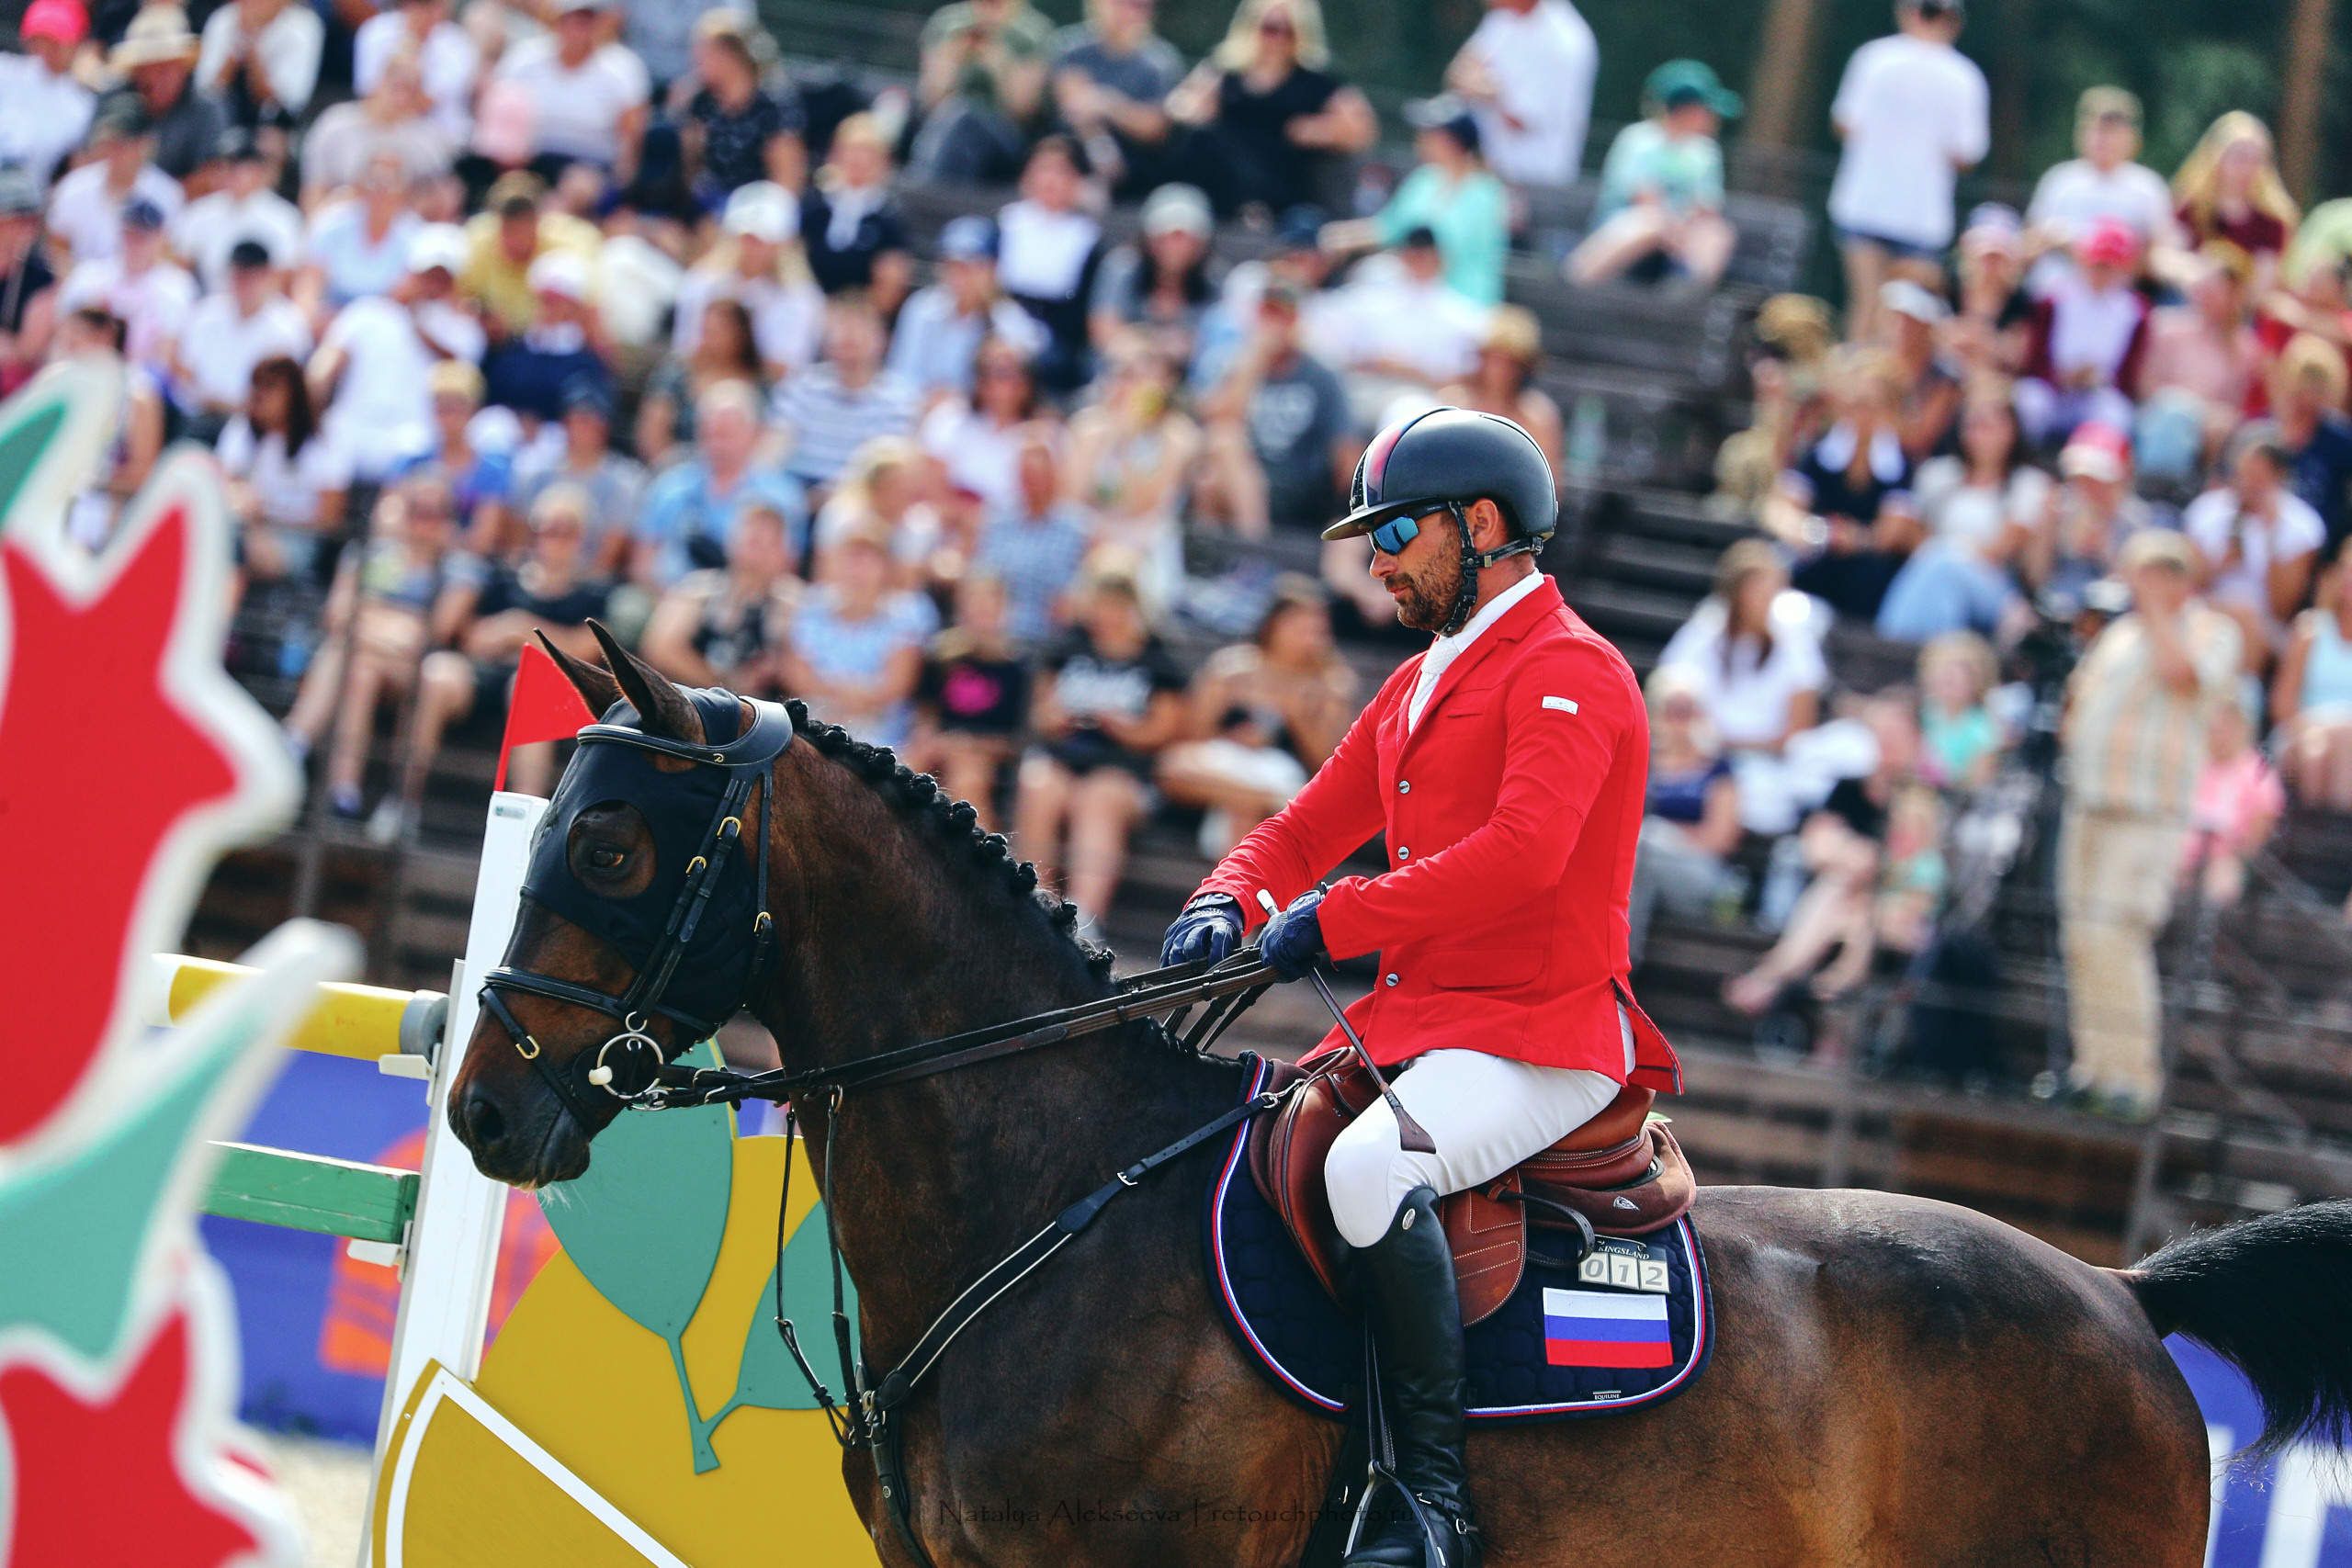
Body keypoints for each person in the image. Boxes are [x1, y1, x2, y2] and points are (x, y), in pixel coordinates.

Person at [1157, 406, 1679, 1568]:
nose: (1376, 561)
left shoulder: (1571, 672)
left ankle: (1428, 1502)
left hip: (1541, 1036)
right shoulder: (1417, 683)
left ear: (1480, 525)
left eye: (1394, 532)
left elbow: (1521, 855)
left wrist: (1334, 917)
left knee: (1369, 1164)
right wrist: (1224, 901)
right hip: (1425, 1027)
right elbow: (1303, 825)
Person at [2057, 527, 2240, 1121]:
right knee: (2082, 938)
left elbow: (2183, 673)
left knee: (2120, 935)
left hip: (2148, 810)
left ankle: (2133, 1081)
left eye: (2146, 574)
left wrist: (2162, 609)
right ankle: (2094, 1070)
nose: (2133, 585)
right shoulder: (2118, 632)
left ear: (2175, 577)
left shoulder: (2213, 629)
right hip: (2090, 801)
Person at [396, 484, 612, 836]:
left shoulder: (594, 592)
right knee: (436, 674)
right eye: (544, 529)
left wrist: (520, 631)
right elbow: (471, 638)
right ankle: (403, 803)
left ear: (582, 538)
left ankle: (526, 828)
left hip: (553, 691)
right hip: (487, 673)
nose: (551, 539)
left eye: (564, 530)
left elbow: (583, 652)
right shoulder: (503, 578)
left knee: (530, 686)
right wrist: (524, 637)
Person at [279, 475, 461, 819]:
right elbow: (339, 613)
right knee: (358, 667)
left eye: (435, 513)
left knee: (347, 650)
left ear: (448, 519)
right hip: (372, 659)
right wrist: (395, 625)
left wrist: (374, 620)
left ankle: (295, 737)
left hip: (417, 669)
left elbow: (434, 632)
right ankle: (344, 791)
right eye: (417, 510)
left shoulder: (458, 566)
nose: (424, 521)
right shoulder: (377, 556)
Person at [1017, 563, 1184, 924]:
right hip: (1064, 757)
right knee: (1039, 786)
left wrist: (1123, 727)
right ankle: (1033, 906)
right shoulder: (1068, 648)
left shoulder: (1157, 660)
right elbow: (1040, 715)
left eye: (1117, 605)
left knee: (1097, 797)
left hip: (1125, 770)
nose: (1107, 615)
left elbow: (1167, 731)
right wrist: (1058, 718)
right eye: (1101, 604)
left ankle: (1082, 920)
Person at [1158, 578, 1355, 856]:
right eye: (1300, 627)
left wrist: (1298, 717)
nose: (1309, 637)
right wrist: (1235, 738)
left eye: (1316, 630)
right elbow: (1190, 734)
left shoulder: (1331, 683)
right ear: (1273, 624)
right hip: (1227, 766)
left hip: (1286, 773)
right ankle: (1267, 801)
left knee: (1244, 810)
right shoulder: (1231, 669)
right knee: (1175, 766)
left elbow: (1329, 761)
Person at [1827, 0, 1987, 344]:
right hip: (1921, 216)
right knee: (1902, 317)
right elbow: (1967, 154)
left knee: (1865, 305)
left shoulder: (1874, 58)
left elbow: (1845, 122)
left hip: (1863, 203)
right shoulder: (1964, 77)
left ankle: (1855, 385)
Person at [1166, 0, 1375, 219]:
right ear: (1252, 26)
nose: (1279, 37)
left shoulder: (1317, 82)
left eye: (1289, 30)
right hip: (1228, 172)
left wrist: (1322, 131)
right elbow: (1178, 103)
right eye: (1271, 28)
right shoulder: (1226, 71)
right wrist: (1195, 110)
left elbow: (1363, 131)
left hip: (1282, 178)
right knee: (1201, 140)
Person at [307, 224, 482, 483]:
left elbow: (457, 372)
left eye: (442, 276)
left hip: (415, 433)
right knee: (325, 448)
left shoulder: (464, 331)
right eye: (427, 273)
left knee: (415, 455)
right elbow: (325, 366)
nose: (433, 283)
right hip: (351, 427)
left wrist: (419, 322)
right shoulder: (366, 312)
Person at [1193, 278, 1351, 537]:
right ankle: (1219, 560)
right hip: (1245, 474)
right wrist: (1255, 360)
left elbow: (1344, 447)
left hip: (1297, 483)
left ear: (1297, 321)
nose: (1275, 324)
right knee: (1212, 468)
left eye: (1284, 316)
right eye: (1269, 314)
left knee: (1220, 454)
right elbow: (1217, 419)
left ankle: (1255, 553)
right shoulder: (1235, 363)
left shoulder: (1321, 375)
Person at [1566, 59, 1739, 290]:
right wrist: (1672, 230)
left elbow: (1707, 208)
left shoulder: (1705, 152)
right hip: (1627, 235)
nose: (1714, 117)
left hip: (1679, 245)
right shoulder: (1639, 140)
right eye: (1707, 109)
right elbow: (1644, 200)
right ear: (1684, 108)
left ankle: (1686, 296)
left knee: (1717, 234)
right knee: (1651, 222)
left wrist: (1683, 233)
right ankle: (1575, 282)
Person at [1322, 95, 1509, 308]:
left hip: (1462, 298)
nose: (1421, 138)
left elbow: (1451, 248)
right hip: (1416, 293)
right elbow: (1389, 227)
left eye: (1431, 133)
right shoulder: (1425, 179)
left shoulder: (1485, 193)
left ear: (1453, 140)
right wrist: (1337, 236)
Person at [1062, 334, 1199, 615]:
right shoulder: (1087, 427)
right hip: (1088, 540)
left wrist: (1129, 435)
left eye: (1137, 375)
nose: (1126, 383)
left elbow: (1142, 502)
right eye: (1120, 373)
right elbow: (1074, 495)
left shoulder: (1179, 436)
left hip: (1145, 546)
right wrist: (1112, 432)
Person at [632, 378, 806, 587]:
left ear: (754, 434)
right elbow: (642, 564)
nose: (717, 444)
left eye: (726, 434)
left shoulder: (781, 495)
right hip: (667, 598)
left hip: (745, 604)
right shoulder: (670, 487)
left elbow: (786, 568)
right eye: (710, 434)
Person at [2181, 421, 2324, 672]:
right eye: (2242, 475)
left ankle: (2239, 696)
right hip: (2207, 609)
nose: (2247, 485)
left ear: (2278, 478)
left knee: (2244, 618)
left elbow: (2282, 609)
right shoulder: (2206, 510)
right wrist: (2220, 566)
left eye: (2257, 479)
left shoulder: (2303, 527)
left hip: (2266, 627)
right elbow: (2187, 585)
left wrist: (2271, 537)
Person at [781, 514, 935, 747]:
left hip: (880, 736)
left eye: (869, 560)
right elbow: (796, 676)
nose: (858, 570)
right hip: (812, 727)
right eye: (852, 559)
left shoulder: (905, 618)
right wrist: (846, 696)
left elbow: (896, 686)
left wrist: (836, 694)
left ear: (886, 567)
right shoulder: (810, 610)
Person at [1627, 664, 1744, 970]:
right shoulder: (1641, 759)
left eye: (1686, 711)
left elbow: (1721, 839)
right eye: (1669, 709)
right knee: (1639, 858)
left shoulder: (1718, 770)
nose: (1677, 721)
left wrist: (1665, 834)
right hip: (1643, 867)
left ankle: (1623, 962)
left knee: (1642, 843)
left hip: (1697, 872)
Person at [2024, 87, 2181, 292]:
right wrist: (2055, 241)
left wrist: (2104, 252)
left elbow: (2161, 253)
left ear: (2132, 138)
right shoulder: (2059, 181)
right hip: (2054, 298)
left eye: (2112, 131)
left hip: (2119, 300)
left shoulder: (2147, 188)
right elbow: (2030, 243)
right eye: (2095, 129)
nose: (2102, 139)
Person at [641, 496, 799, 696]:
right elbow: (660, 649)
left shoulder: (792, 602)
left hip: (762, 715)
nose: (756, 538)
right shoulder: (698, 589)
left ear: (784, 551)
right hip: (688, 701)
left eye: (768, 536)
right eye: (750, 531)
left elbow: (798, 670)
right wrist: (727, 687)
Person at [907, 570, 1030, 829]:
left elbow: (1017, 740)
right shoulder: (941, 657)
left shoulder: (1020, 667)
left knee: (967, 776)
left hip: (987, 757)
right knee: (908, 765)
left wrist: (970, 745)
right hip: (942, 746)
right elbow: (925, 717)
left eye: (989, 604)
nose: (980, 612)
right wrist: (934, 741)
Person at [770, 290, 918, 503]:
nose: (850, 335)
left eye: (861, 326)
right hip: (796, 492)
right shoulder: (800, 386)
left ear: (882, 340)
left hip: (859, 498)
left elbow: (885, 470)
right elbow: (775, 446)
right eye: (842, 326)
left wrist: (833, 497)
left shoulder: (900, 400)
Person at [670, 179, 823, 384]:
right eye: (745, 236)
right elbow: (686, 351)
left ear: (784, 243)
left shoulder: (801, 298)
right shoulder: (700, 282)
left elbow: (786, 372)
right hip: (702, 385)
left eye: (761, 239)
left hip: (766, 396)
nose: (751, 246)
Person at [888, 216, 1049, 409]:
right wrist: (925, 402)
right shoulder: (921, 308)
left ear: (993, 268)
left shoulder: (1013, 326)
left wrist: (955, 406)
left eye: (971, 267)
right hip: (913, 412)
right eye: (952, 265)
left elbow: (1011, 395)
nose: (960, 276)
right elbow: (900, 375)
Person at [2014, 219, 2149, 449]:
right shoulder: (2053, 298)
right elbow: (2033, 359)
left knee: (2116, 414)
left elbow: (2128, 375)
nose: (2102, 273)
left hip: (2096, 397)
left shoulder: (2136, 312)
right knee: (2028, 401)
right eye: (2098, 264)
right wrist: (2062, 377)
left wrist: (2097, 379)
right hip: (2051, 391)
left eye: (2110, 266)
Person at [218, 353, 348, 581]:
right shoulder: (241, 428)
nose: (260, 395)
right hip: (241, 528)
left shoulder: (324, 440)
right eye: (256, 385)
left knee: (231, 547)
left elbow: (329, 519)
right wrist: (240, 497)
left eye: (270, 387)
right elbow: (222, 480)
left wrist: (266, 515)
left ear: (293, 394)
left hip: (295, 540)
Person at [1442, 0, 1596, 191]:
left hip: (1537, 185)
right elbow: (1457, 74)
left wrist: (1486, 89)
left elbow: (1519, 121)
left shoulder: (1567, 41)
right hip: (1488, 175)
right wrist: (1488, 90)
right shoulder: (1501, 18)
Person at [492, 0, 650, 184]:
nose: (578, 27)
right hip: (528, 164)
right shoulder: (523, 59)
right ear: (556, 20)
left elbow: (631, 142)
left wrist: (621, 189)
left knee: (578, 183)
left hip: (592, 169)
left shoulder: (623, 68)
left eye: (586, 19)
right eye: (570, 18)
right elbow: (496, 116)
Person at [996, 134, 1105, 393]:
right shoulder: (1008, 222)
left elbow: (1080, 305)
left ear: (1077, 180)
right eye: (1043, 169)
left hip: (1054, 337)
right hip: (1000, 323)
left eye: (1061, 171)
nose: (1050, 180)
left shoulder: (1086, 236)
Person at [172, 238, 310, 439]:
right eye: (238, 274)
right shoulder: (206, 315)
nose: (243, 282)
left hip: (253, 429)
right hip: (198, 417)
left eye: (251, 275)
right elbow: (184, 372)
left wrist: (231, 406)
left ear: (268, 276)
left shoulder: (288, 328)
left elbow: (283, 397)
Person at [1047, 0, 1185, 197]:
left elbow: (1154, 127)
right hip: (1079, 148)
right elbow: (1075, 105)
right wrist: (1101, 149)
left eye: (1140, 5)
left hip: (1135, 160)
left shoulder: (1162, 61)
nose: (1131, 10)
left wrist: (1107, 103)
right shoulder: (1071, 46)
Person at [910, 0, 1054, 184]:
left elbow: (1022, 110)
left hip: (1005, 136)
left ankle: (929, 189)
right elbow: (930, 99)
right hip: (946, 125)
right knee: (959, 120)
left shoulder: (1032, 32)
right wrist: (954, 60)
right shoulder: (948, 23)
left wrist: (998, 64)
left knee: (968, 122)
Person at [512, 378, 645, 574]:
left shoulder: (625, 482)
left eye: (593, 419)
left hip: (588, 587)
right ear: (565, 422)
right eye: (579, 417)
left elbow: (607, 558)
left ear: (606, 424)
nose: (586, 426)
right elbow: (519, 544)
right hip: (535, 576)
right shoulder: (535, 473)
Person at [974, 423, 1090, 647]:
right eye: (1026, 474)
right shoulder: (997, 521)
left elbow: (1075, 596)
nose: (1033, 483)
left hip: (1048, 644)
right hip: (997, 640)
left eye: (1040, 475)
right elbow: (983, 579)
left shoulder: (1077, 529)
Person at [59, 196, 195, 382]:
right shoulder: (89, 275)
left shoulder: (175, 286)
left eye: (143, 237)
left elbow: (165, 360)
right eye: (129, 234)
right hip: (82, 372)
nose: (134, 244)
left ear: (161, 238)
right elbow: (63, 336)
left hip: (139, 382)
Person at [1090, 181, 1220, 372]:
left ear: (1203, 245)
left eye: (1186, 238)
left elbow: (1213, 345)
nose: (1176, 247)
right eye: (1167, 236)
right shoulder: (1122, 267)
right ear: (1149, 239)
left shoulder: (1215, 281)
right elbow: (1103, 330)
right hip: (1122, 371)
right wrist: (1155, 350)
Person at [458, 170, 603, 340]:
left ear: (538, 220)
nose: (514, 238)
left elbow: (592, 307)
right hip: (495, 343)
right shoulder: (477, 239)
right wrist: (481, 316)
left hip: (554, 342)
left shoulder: (571, 240)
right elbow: (458, 300)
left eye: (522, 224)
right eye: (508, 226)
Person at [920, 334, 1045, 526]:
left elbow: (1045, 503)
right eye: (989, 372)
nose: (996, 381)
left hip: (1014, 534)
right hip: (949, 527)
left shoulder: (1045, 435)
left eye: (1009, 373)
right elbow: (931, 488)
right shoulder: (948, 419)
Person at [46, 99, 184, 271]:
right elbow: (57, 244)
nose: (113, 151)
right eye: (109, 143)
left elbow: (167, 254)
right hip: (81, 288)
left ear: (145, 145)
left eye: (123, 144)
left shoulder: (167, 193)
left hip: (141, 290)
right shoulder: (74, 186)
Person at [300, 50, 454, 202]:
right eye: (397, 86)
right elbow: (314, 192)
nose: (402, 97)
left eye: (411, 90)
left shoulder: (428, 141)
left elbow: (438, 202)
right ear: (380, 80)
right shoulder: (334, 125)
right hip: (341, 216)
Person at [681, 10, 802, 204]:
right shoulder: (701, 103)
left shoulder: (774, 106)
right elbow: (688, 167)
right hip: (708, 206)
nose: (696, 62)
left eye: (704, 54)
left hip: (756, 207)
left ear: (730, 56)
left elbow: (787, 178)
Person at [481, 247, 611, 425]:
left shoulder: (586, 363)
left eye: (554, 302)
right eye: (542, 301)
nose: (546, 309)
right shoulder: (513, 353)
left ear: (573, 307)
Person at [2171, 111, 2296, 293]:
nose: (2247, 168)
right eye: (2240, 158)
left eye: (2256, 160)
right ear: (2217, 158)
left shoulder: (2272, 221)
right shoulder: (2190, 207)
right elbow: (2168, 256)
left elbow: (2262, 286)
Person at [798, 112, 911, 311]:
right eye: (852, 150)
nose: (859, 159)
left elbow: (890, 285)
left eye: (868, 152)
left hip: (860, 319)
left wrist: (851, 316)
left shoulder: (889, 219)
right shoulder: (813, 206)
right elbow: (793, 263)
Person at [1438, 305, 1562, 477]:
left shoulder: (1538, 418)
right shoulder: (1453, 404)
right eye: (1494, 358)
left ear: (1524, 366)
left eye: (1509, 362)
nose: (1499, 370)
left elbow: (1548, 484)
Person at [2186, 693, 2280, 909]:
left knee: (2221, 882)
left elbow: (2259, 831)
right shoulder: (2193, 763)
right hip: (2179, 849)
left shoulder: (2257, 771)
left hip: (2224, 856)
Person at [297, 155, 424, 317]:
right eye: (374, 180)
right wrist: (315, 319)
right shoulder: (331, 224)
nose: (381, 189)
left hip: (382, 325)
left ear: (405, 191)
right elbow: (307, 290)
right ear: (359, 185)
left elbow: (405, 301)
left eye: (390, 182)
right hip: (327, 320)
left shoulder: (415, 236)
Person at [108, 5, 224, 183]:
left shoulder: (206, 109)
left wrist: (158, 197)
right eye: (148, 68)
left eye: (165, 68)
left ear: (183, 68)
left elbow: (212, 176)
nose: (155, 78)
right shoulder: (115, 102)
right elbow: (90, 164)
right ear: (135, 72)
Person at [2271, 559, 2352, 811]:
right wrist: (2324, 729)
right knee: (2317, 753)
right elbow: (2282, 706)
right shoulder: (2310, 631)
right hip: (2303, 732)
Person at [355, 0, 479, 148]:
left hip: (439, 136)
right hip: (378, 127)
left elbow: (422, 102)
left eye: (433, 5)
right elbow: (368, 94)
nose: (426, 11)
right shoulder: (375, 31)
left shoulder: (459, 46)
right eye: (420, 4)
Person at [0, 0, 96, 191]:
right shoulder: (6, 71)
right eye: (38, 40)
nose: (44, 51)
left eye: (55, 42)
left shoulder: (82, 105)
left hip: (29, 203)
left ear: (76, 43)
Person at [2270, 332, 2352, 550]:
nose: (2307, 396)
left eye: (2317, 388)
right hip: (2263, 538)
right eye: (2302, 384)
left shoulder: (2341, 441)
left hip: (2318, 545)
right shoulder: (2261, 431)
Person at [195, 0, 322, 128]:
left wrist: (253, 49)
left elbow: (283, 104)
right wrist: (235, 50)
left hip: (277, 126)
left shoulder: (302, 26)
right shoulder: (224, 18)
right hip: (221, 121)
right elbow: (205, 91)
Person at [1916, 629, 2005, 790]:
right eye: (1945, 669)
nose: (1951, 677)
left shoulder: (1985, 728)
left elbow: (1979, 781)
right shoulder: (1918, 713)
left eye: (1962, 671)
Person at [0, 170, 60, 396]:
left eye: (32, 219)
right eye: (17, 218)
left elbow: (27, 352)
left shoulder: (41, 277)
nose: (27, 227)